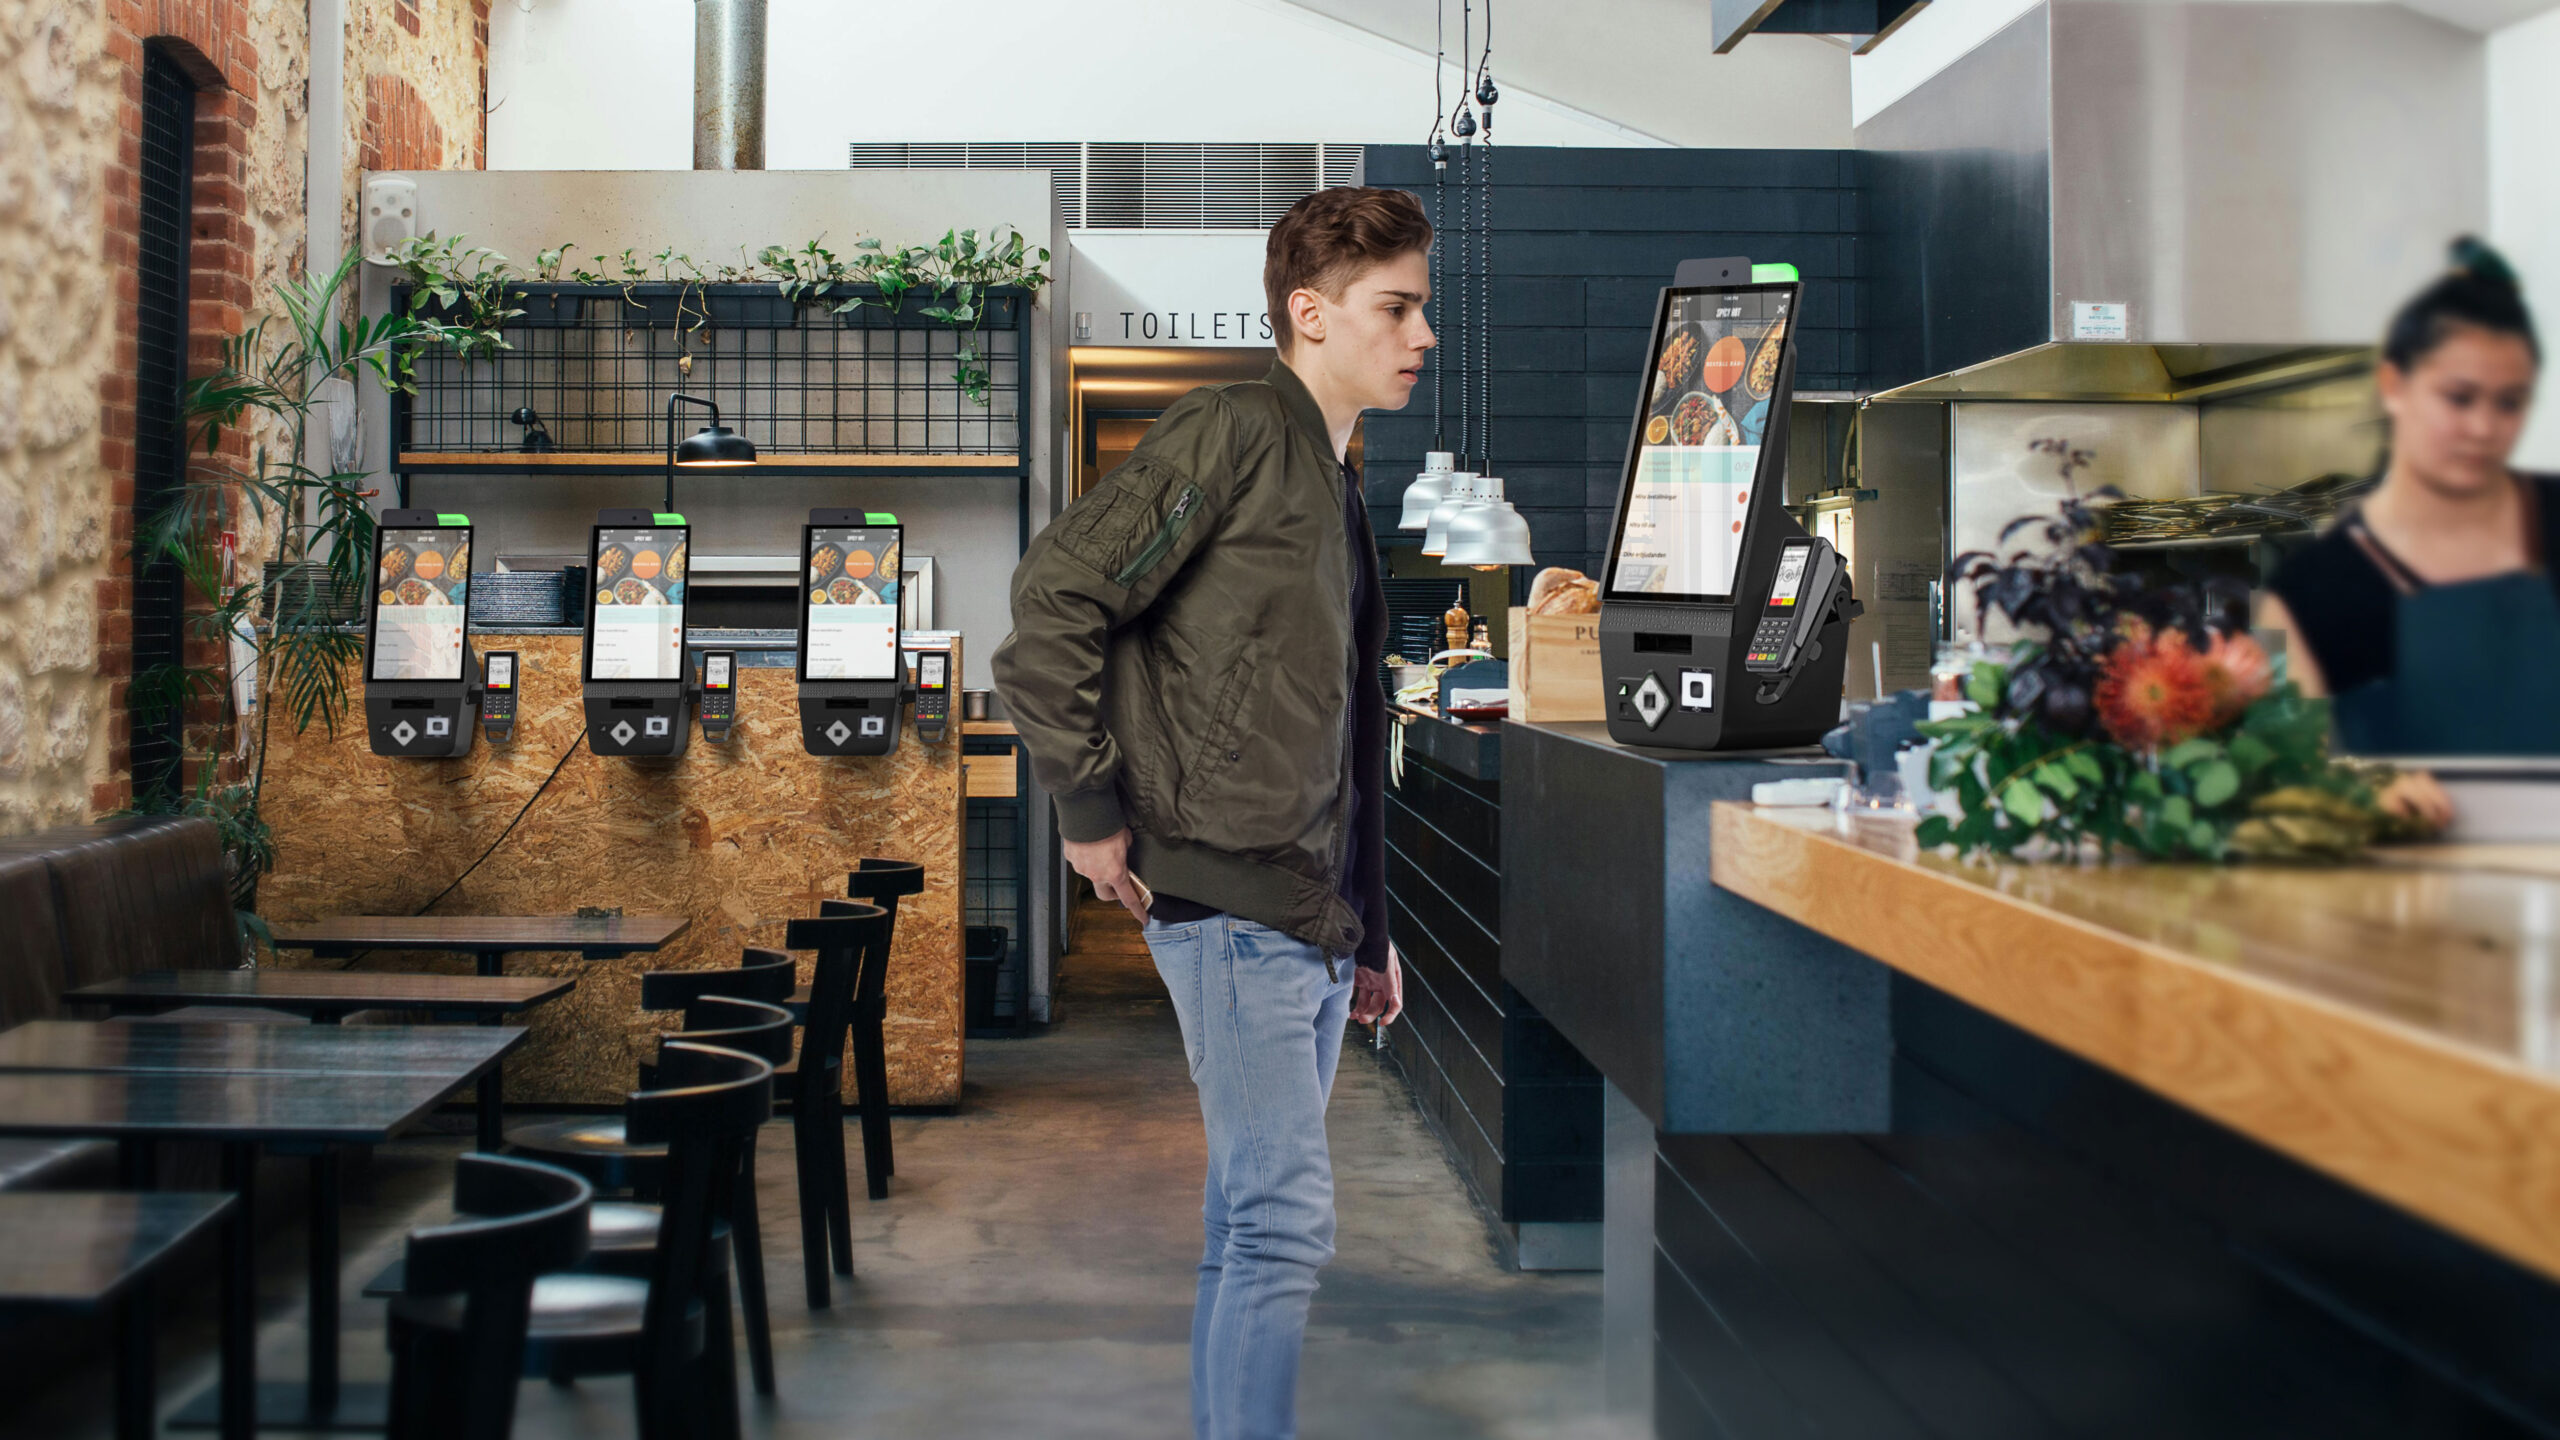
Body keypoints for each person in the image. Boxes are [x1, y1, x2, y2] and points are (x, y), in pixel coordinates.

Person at [991, 187, 1432, 1440]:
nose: (1422, 334)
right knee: (1282, 1223)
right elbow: (1055, 600)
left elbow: (1346, 726)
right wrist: (1087, 809)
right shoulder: (1234, 430)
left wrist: (1369, 929)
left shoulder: (1333, 474)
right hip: (1231, 899)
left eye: (1422, 308)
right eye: (1395, 307)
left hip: (1303, 911)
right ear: (1311, 313)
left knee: (1249, 1222)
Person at [2264, 238, 2558, 785]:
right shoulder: (2303, 595)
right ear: (2393, 385)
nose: (2484, 428)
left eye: (2510, 402)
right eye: (2459, 398)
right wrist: (2366, 790)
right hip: (2413, 844)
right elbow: (2279, 773)